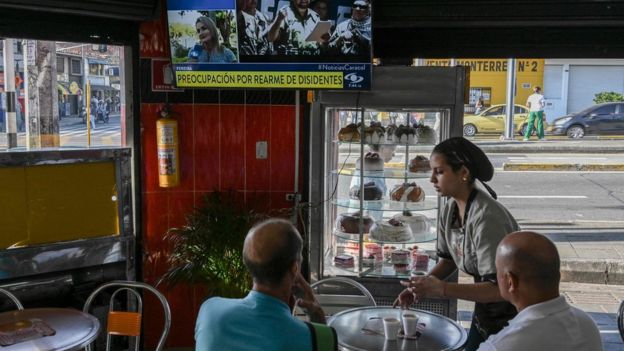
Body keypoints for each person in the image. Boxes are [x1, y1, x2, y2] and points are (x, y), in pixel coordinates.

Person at [394, 137, 519, 351]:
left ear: (463, 173)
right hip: (486, 311)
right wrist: (422, 286)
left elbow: (501, 288)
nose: (432, 178)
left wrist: (442, 289)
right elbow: (449, 260)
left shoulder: (487, 218)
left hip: (513, 313)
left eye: (439, 172)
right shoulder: (450, 209)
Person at [195, 218, 332, 351]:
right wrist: (316, 313)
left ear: (247, 264)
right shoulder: (317, 337)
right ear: (295, 268)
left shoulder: (209, 310)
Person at [478, 231, 602, 351]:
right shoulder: (587, 325)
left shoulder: (499, 346)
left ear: (511, 282)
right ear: (557, 275)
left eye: (497, 271)